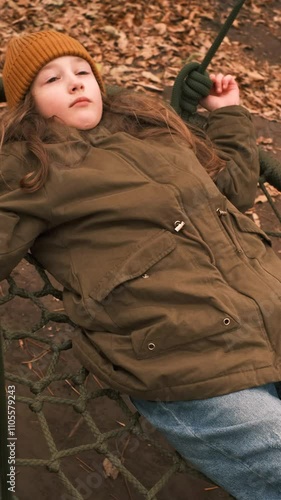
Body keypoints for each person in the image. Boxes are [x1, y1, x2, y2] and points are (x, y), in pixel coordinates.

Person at [0, 30, 281, 500]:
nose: (74, 83)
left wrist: (228, 113)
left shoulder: (148, 128)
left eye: (83, 72)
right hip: (185, 361)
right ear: (26, 105)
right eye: (52, 78)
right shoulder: (30, 166)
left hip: (267, 314)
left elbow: (231, 189)